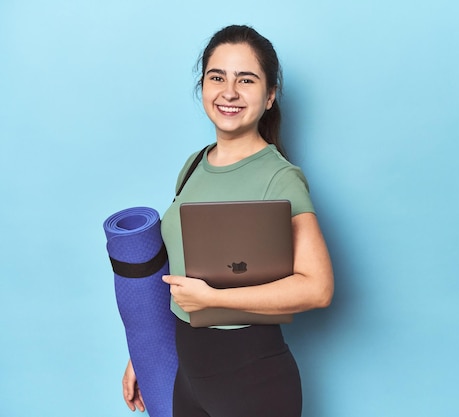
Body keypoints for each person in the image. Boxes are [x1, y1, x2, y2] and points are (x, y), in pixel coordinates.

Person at [121, 24, 334, 417]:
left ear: (269, 96)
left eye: (246, 79)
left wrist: (215, 299)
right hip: (189, 376)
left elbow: (318, 288)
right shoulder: (193, 166)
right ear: (202, 86)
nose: (229, 91)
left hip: (252, 380)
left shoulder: (279, 177)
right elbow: (179, 274)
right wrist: (145, 352)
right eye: (217, 77)